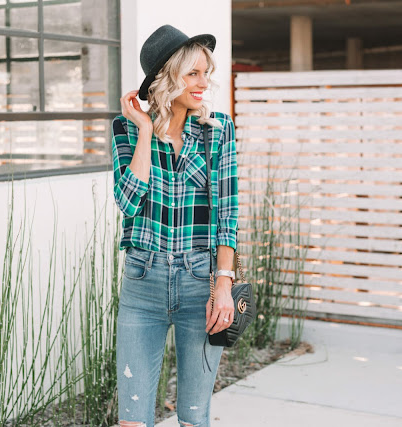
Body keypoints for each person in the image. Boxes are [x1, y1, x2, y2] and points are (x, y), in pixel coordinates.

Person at [112, 24, 239, 427]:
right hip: (142, 281)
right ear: (167, 78)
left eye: (206, 72)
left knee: (193, 417)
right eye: (193, 74)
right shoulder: (127, 129)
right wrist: (148, 132)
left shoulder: (217, 130)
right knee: (133, 419)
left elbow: (227, 214)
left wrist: (224, 286)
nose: (205, 83)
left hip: (199, 281)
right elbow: (128, 201)